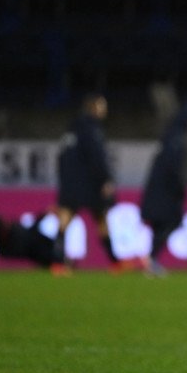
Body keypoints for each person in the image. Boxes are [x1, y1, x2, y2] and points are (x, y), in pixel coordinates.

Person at [55, 93, 128, 272]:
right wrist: (105, 179)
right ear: (94, 108)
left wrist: (65, 179)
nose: (105, 110)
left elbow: (61, 157)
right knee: (101, 219)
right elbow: (97, 156)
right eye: (102, 106)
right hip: (89, 183)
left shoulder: (72, 129)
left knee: (65, 219)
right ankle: (115, 263)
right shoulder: (92, 129)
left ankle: (57, 262)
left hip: (70, 183)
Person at [139, 102, 187, 278]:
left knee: (160, 224)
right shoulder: (177, 138)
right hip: (165, 189)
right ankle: (150, 258)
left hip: (158, 186)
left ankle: (151, 259)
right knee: (173, 220)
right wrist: (180, 188)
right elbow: (173, 167)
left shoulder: (171, 134)